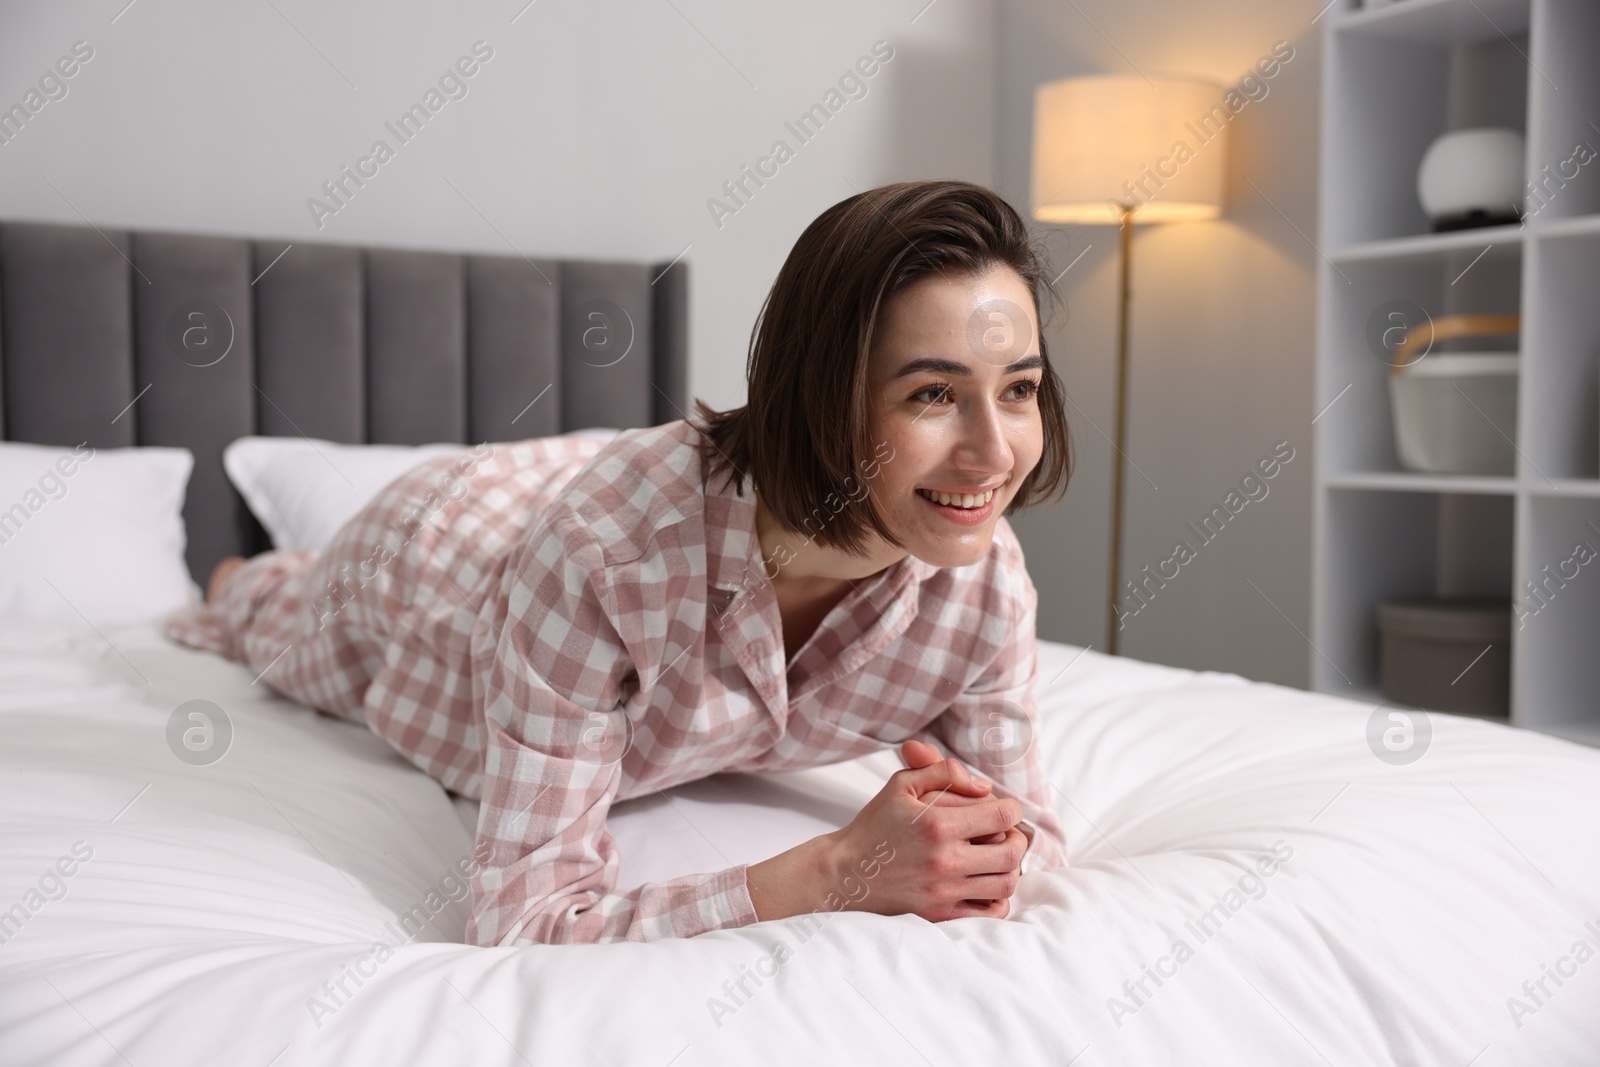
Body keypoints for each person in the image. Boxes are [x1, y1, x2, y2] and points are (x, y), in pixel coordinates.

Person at [174, 179, 1073, 945]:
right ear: (820, 389)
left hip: (625, 496)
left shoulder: (984, 579)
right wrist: (836, 869)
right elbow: (527, 918)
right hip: (434, 553)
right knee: (277, 623)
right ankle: (241, 579)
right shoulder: (601, 559)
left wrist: (980, 844)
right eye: (932, 394)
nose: (993, 453)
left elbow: (1025, 829)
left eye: (1019, 390)